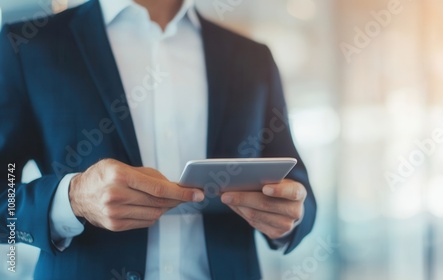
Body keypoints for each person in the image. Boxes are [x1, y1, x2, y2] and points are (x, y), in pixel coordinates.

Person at [0, 0, 316, 279]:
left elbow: (300, 191)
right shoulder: (26, 46)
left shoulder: (253, 58)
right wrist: (72, 200)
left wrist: (289, 217)